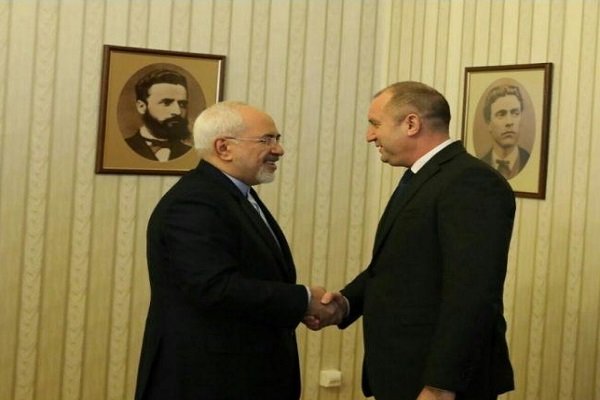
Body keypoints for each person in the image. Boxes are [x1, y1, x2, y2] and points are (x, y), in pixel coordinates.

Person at [309, 82, 515, 400]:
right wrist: (346, 303)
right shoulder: (424, 176)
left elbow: (472, 293)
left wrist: (441, 384)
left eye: (375, 124)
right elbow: (400, 263)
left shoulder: (470, 182)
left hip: (436, 380)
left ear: (411, 123)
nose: (370, 135)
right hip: (403, 372)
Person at [134, 101, 342, 399]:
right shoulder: (194, 203)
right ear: (224, 148)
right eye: (266, 140)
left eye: (277, 139)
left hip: (242, 375)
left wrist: (297, 304)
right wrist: (303, 300)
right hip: (207, 381)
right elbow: (214, 287)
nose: (279, 150)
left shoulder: (233, 195)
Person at [125, 68, 193, 162]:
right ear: (141, 107)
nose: (177, 112)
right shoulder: (123, 148)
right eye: (166, 103)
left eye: (182, 104)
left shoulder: (189, 152)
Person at [479, 84, 530, 179]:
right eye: (501, 114)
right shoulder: (479, 165)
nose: (509, 122)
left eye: (515, 113)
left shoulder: (529, 161)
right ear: (489, 123)